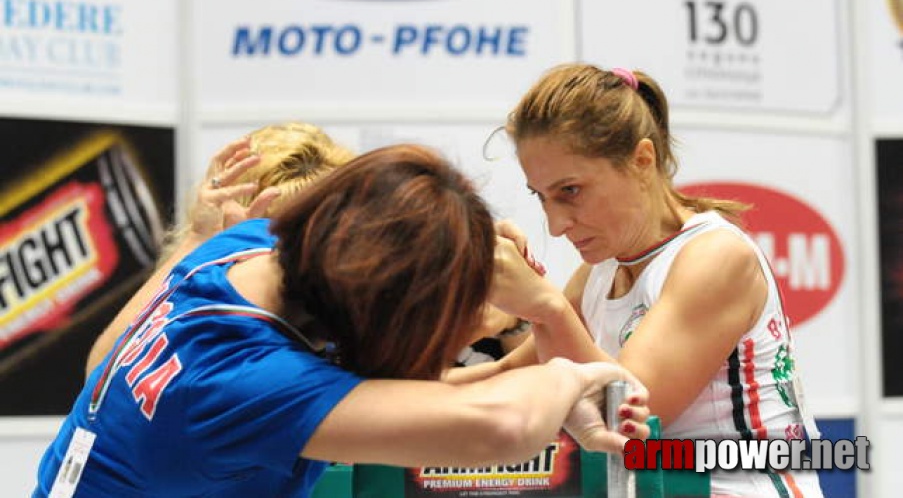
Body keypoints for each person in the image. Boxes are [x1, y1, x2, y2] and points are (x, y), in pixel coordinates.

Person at [34, 142, 650, 498]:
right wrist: (563, 369)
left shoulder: (246, 247)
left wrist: (460, 240)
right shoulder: (241, 379)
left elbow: (99, 371)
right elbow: (501, 426)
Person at [473, 63, 824, 497]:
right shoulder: (600, 271)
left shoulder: (715, 256)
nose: (556, 224)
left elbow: (629, 417)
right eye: (541, 196)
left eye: (571, 191)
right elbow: (505, 376)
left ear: (642, 160)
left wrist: (544, 306)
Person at [86, 122, 356, 375]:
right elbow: (103, 374)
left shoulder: (356, 300)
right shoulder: (204, 295)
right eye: (275, 236)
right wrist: (204, 242)